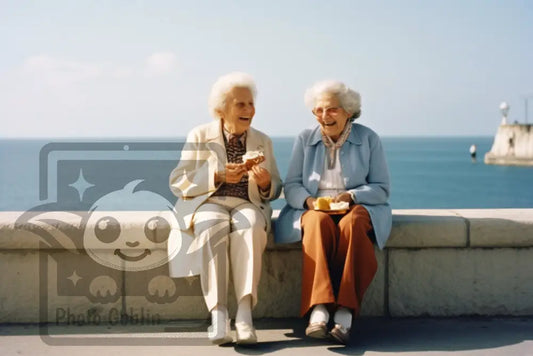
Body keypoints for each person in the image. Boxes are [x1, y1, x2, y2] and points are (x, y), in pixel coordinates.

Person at [168, 72, 282, 345]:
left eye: (251, 103)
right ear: (222, 108)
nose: (248, 110)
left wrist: (266, 182)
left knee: (252, 226)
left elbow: (276, 187)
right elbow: (177, 181)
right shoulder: (199, 134)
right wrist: (216, 176)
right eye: (240, 104)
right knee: (212, 227)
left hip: (248, 202)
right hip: (209, 202)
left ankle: (244, 314)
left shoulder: (263, 140)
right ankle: (219, 314)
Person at [275, 80, 392, 344]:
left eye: (331, 110)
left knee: (353, 224)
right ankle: (319, 309)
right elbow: (291, 184)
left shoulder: (369, 138)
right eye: (318, 111)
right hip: (316, 208)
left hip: (356, 207)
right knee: (316, 223)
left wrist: (351, 196)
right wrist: (309, 202)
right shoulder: (305, 139)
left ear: (348, 111)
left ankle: (345, 310)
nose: (324, 117)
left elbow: (382, 189)